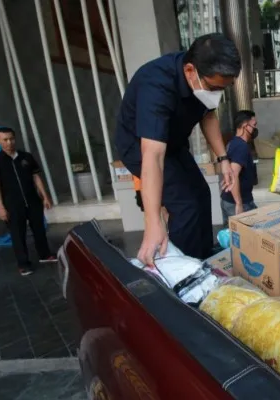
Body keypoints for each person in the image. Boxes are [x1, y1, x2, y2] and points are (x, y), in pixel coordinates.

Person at [115, 33, 241, 264]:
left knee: (201, 193)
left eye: (223, 89)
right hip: (140, 147)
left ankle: (203, 255)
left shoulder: (203, 81)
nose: (216, 94)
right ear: (191, 71)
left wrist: (223, 158)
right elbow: (152, 156)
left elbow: (208, 114)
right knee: (185, 205)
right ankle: (184, 270)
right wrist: (152, 223)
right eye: (213, 87)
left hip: (173, 144)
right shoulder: (156, 85)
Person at [0, 127, 56, 276]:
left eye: (11, 138)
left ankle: (45, 255)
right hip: (12, 204)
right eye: (5, 140)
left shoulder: (26, 157)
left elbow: (36, 177)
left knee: (39, 229)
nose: (9, 142)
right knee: (18, 234)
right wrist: (1, 208)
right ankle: (23, 264)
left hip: (32, 200)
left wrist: (45, 196)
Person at [221, 110, 258, 226]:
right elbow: (233, 174)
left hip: (233, 200)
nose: (255, 129)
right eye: (254, 125)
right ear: (244, 126)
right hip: (237, 202)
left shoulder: (233, 143)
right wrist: (239, 204)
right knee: (244, 239)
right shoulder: (241, 146)